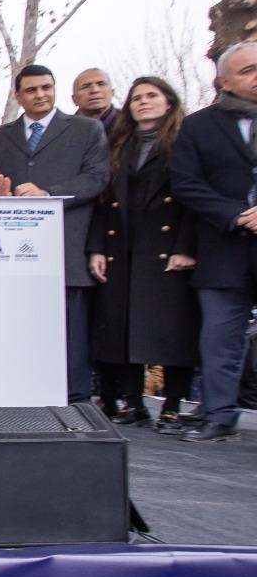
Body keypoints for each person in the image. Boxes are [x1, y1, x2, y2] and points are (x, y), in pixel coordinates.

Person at [0, 64, 110, 404]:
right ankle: (18, 395)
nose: (40, 95)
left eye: (46, 87)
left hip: (66, 247)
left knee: (70, 329)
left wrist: (48, 194)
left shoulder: (86, 130)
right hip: (9, 255)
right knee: (18, 327)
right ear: (18, 95)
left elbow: (96, 179)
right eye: (31, 90)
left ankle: (75, 401)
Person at [86, 76, 200, 431]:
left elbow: (193, 201)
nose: (143, 102)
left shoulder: (184, 142)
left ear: (169, 102)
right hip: (122, 247)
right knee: (123, 329)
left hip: (166, 249)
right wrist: (96, 247)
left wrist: (185, 248)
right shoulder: (118, 145)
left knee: (173, 330)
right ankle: (133, 403)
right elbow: (102, 200)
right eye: (136, 98)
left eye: (151, 96)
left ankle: (172, 405)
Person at [169, 40, 257, 443]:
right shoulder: (198, 126)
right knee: (220, 339)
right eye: (247, 71)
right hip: (224, 248)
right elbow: (186, 184)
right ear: (224, 81)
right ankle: (220, 416)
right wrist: (235, 214)